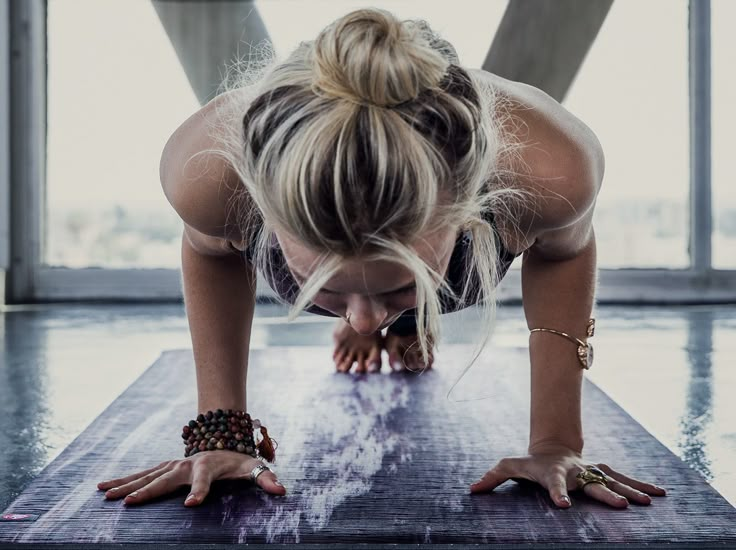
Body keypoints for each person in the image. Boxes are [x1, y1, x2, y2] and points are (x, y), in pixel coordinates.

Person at [96, 7, 666, 511]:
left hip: (467, 217)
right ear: (262, 215)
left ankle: (398, 308)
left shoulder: (551, 168)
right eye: (330, 287)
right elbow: (209, 252)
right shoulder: (207, 174)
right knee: (371, 308)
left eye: (395, 291)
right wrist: (220, 434)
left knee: (386, 307)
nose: (362, 317)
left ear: (470, 209)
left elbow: (564, 256)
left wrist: (556, 444)